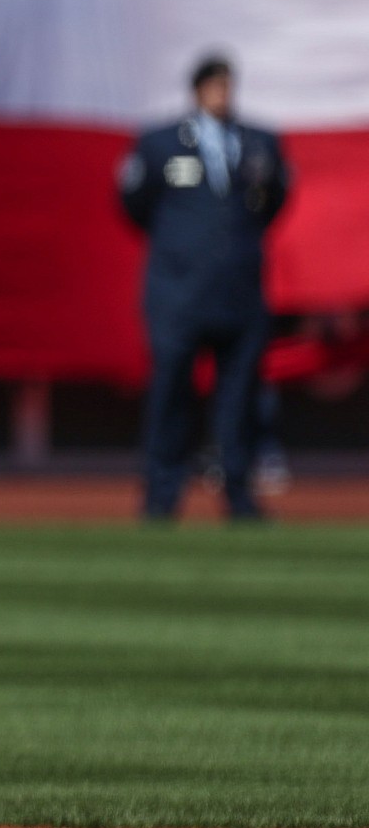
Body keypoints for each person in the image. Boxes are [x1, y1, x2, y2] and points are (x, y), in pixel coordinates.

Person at [118, 54, 290, 521]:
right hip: (178, 293)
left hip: (239, 292)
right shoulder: (161, 144)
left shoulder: (258, 144)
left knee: (239, 399)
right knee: (171, 393)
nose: (222, 94)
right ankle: (161, 496)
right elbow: (135, 204)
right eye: (213, 86)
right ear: (196, 90)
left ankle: (238, 494)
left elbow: (273, 202)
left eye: (227, 85)